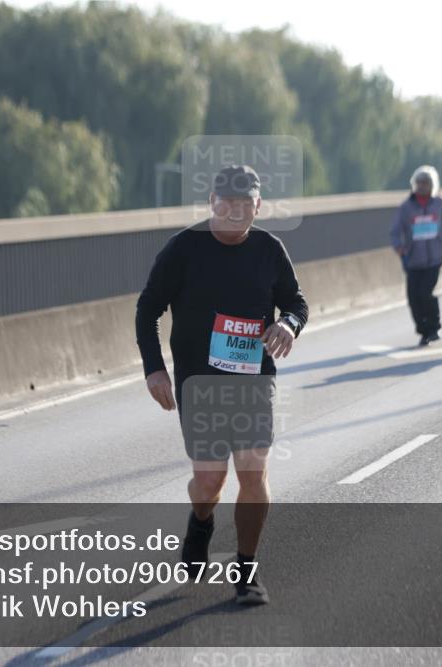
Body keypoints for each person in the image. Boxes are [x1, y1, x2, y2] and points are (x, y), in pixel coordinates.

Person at [135, 164, 308, 606]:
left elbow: (295, 301)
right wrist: (154, 369)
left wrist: (288, 324)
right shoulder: (183, 249)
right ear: (212, 202)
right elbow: (148, 310)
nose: (235, 211)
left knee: (254, 471)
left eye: (244, 204)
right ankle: (201, 520)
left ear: (258, 205)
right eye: (226, 203)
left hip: (253, 382)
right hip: (199, 383)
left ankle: (246, 571)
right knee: (210, 479)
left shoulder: (270, 250)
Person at [390, 165, 442, 346]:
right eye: (418, 182)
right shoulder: (406, 207)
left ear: (432, 184)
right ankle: (423, 330)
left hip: (434, 258)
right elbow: (395, 231)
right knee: (413, 298)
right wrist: (399, 247)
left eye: (425, 182)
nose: (422, 186)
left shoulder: (439, 203)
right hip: (413, 259)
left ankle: (434, 326)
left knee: (426, 293)